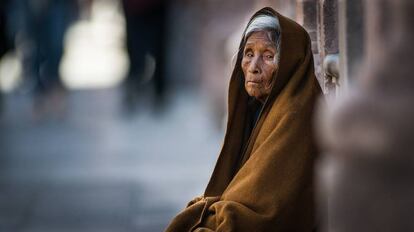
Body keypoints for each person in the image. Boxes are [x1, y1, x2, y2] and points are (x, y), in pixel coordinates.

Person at [165, 7, 322, 232]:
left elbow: (263, 207)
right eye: (248, 54)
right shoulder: (259, 105)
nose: (254, 67)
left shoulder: (295, 113)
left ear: (289, 62)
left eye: (268, 56)